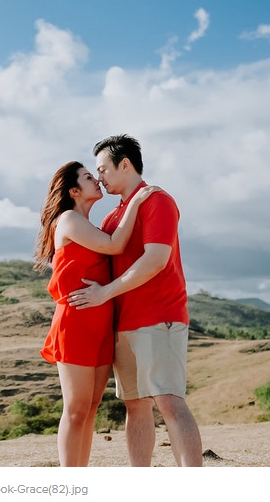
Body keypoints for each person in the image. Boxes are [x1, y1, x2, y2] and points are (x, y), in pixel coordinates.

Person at [67, 134, 203, 467]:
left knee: (169, 402)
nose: (99, 178)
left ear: (124, 164)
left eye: (103, 169)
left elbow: (156, 259)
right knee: (135, 405)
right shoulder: (114, 219)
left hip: (160, 318)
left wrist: (104, 293)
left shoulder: (158, 200)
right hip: (124, 324)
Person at [34, 160, 157, 466]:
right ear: (74, 190)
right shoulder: (69, 219)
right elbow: (115, 245)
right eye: (89, 177)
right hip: (75, 322)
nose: (97, 180)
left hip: (100, 322)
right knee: (76, 409)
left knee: (90, 408)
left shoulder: (88, 225)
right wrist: (136, 200)